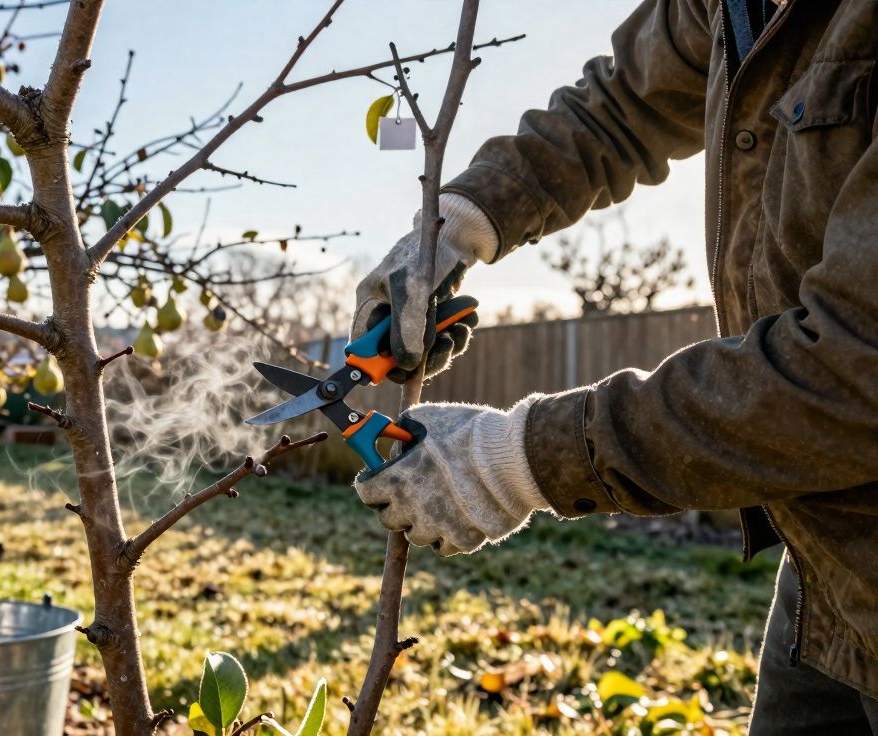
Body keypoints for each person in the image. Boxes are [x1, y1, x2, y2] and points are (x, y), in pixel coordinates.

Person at [350, 0, 878, 732]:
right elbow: (619, 107)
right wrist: (458, 224)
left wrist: (522, 460)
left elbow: (855, 369)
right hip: (828, 569)